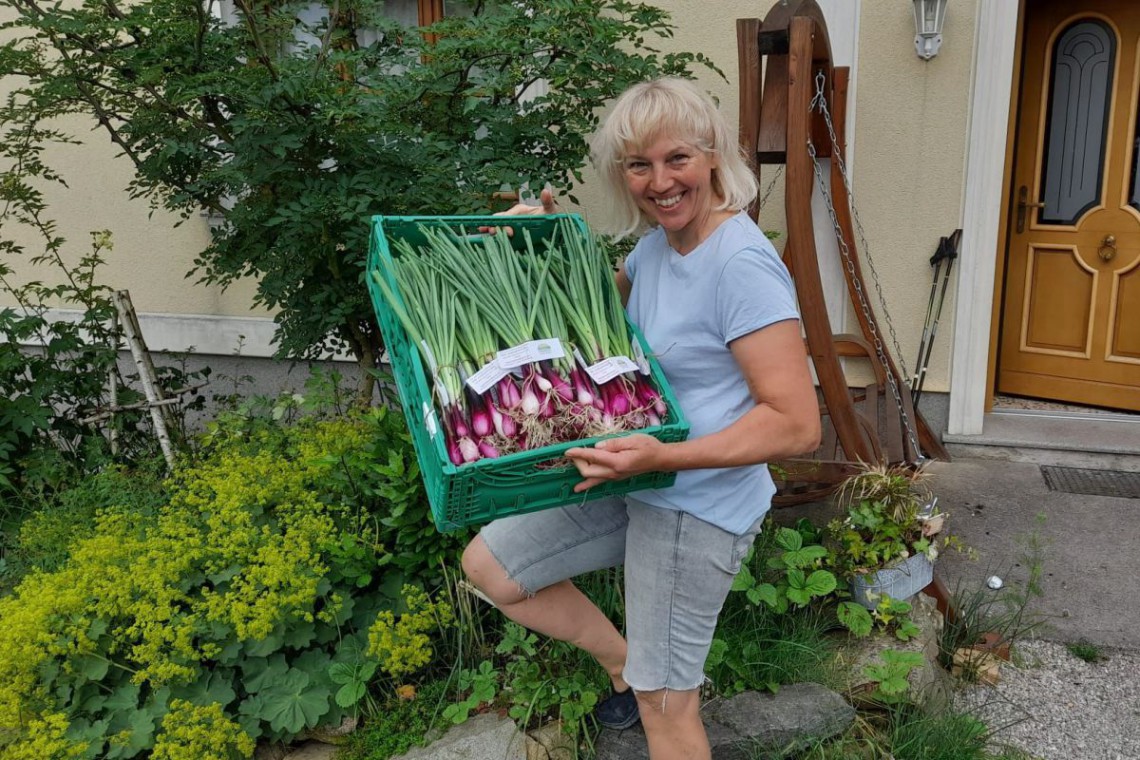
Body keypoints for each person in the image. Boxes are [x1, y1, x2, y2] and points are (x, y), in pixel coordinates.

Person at [461, 78, 821, 760]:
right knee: (493, 568)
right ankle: (626, 664)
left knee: (667, 710)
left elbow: (798, 426)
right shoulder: (658, 248)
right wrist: (535, 246)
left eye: (677, 159)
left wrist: (661, 457)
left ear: (712, 156)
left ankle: (653, 685)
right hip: (639, 476)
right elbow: (591, 310)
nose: (660, 182)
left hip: (698, 503)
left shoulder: (740, 264)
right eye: (639, 165)